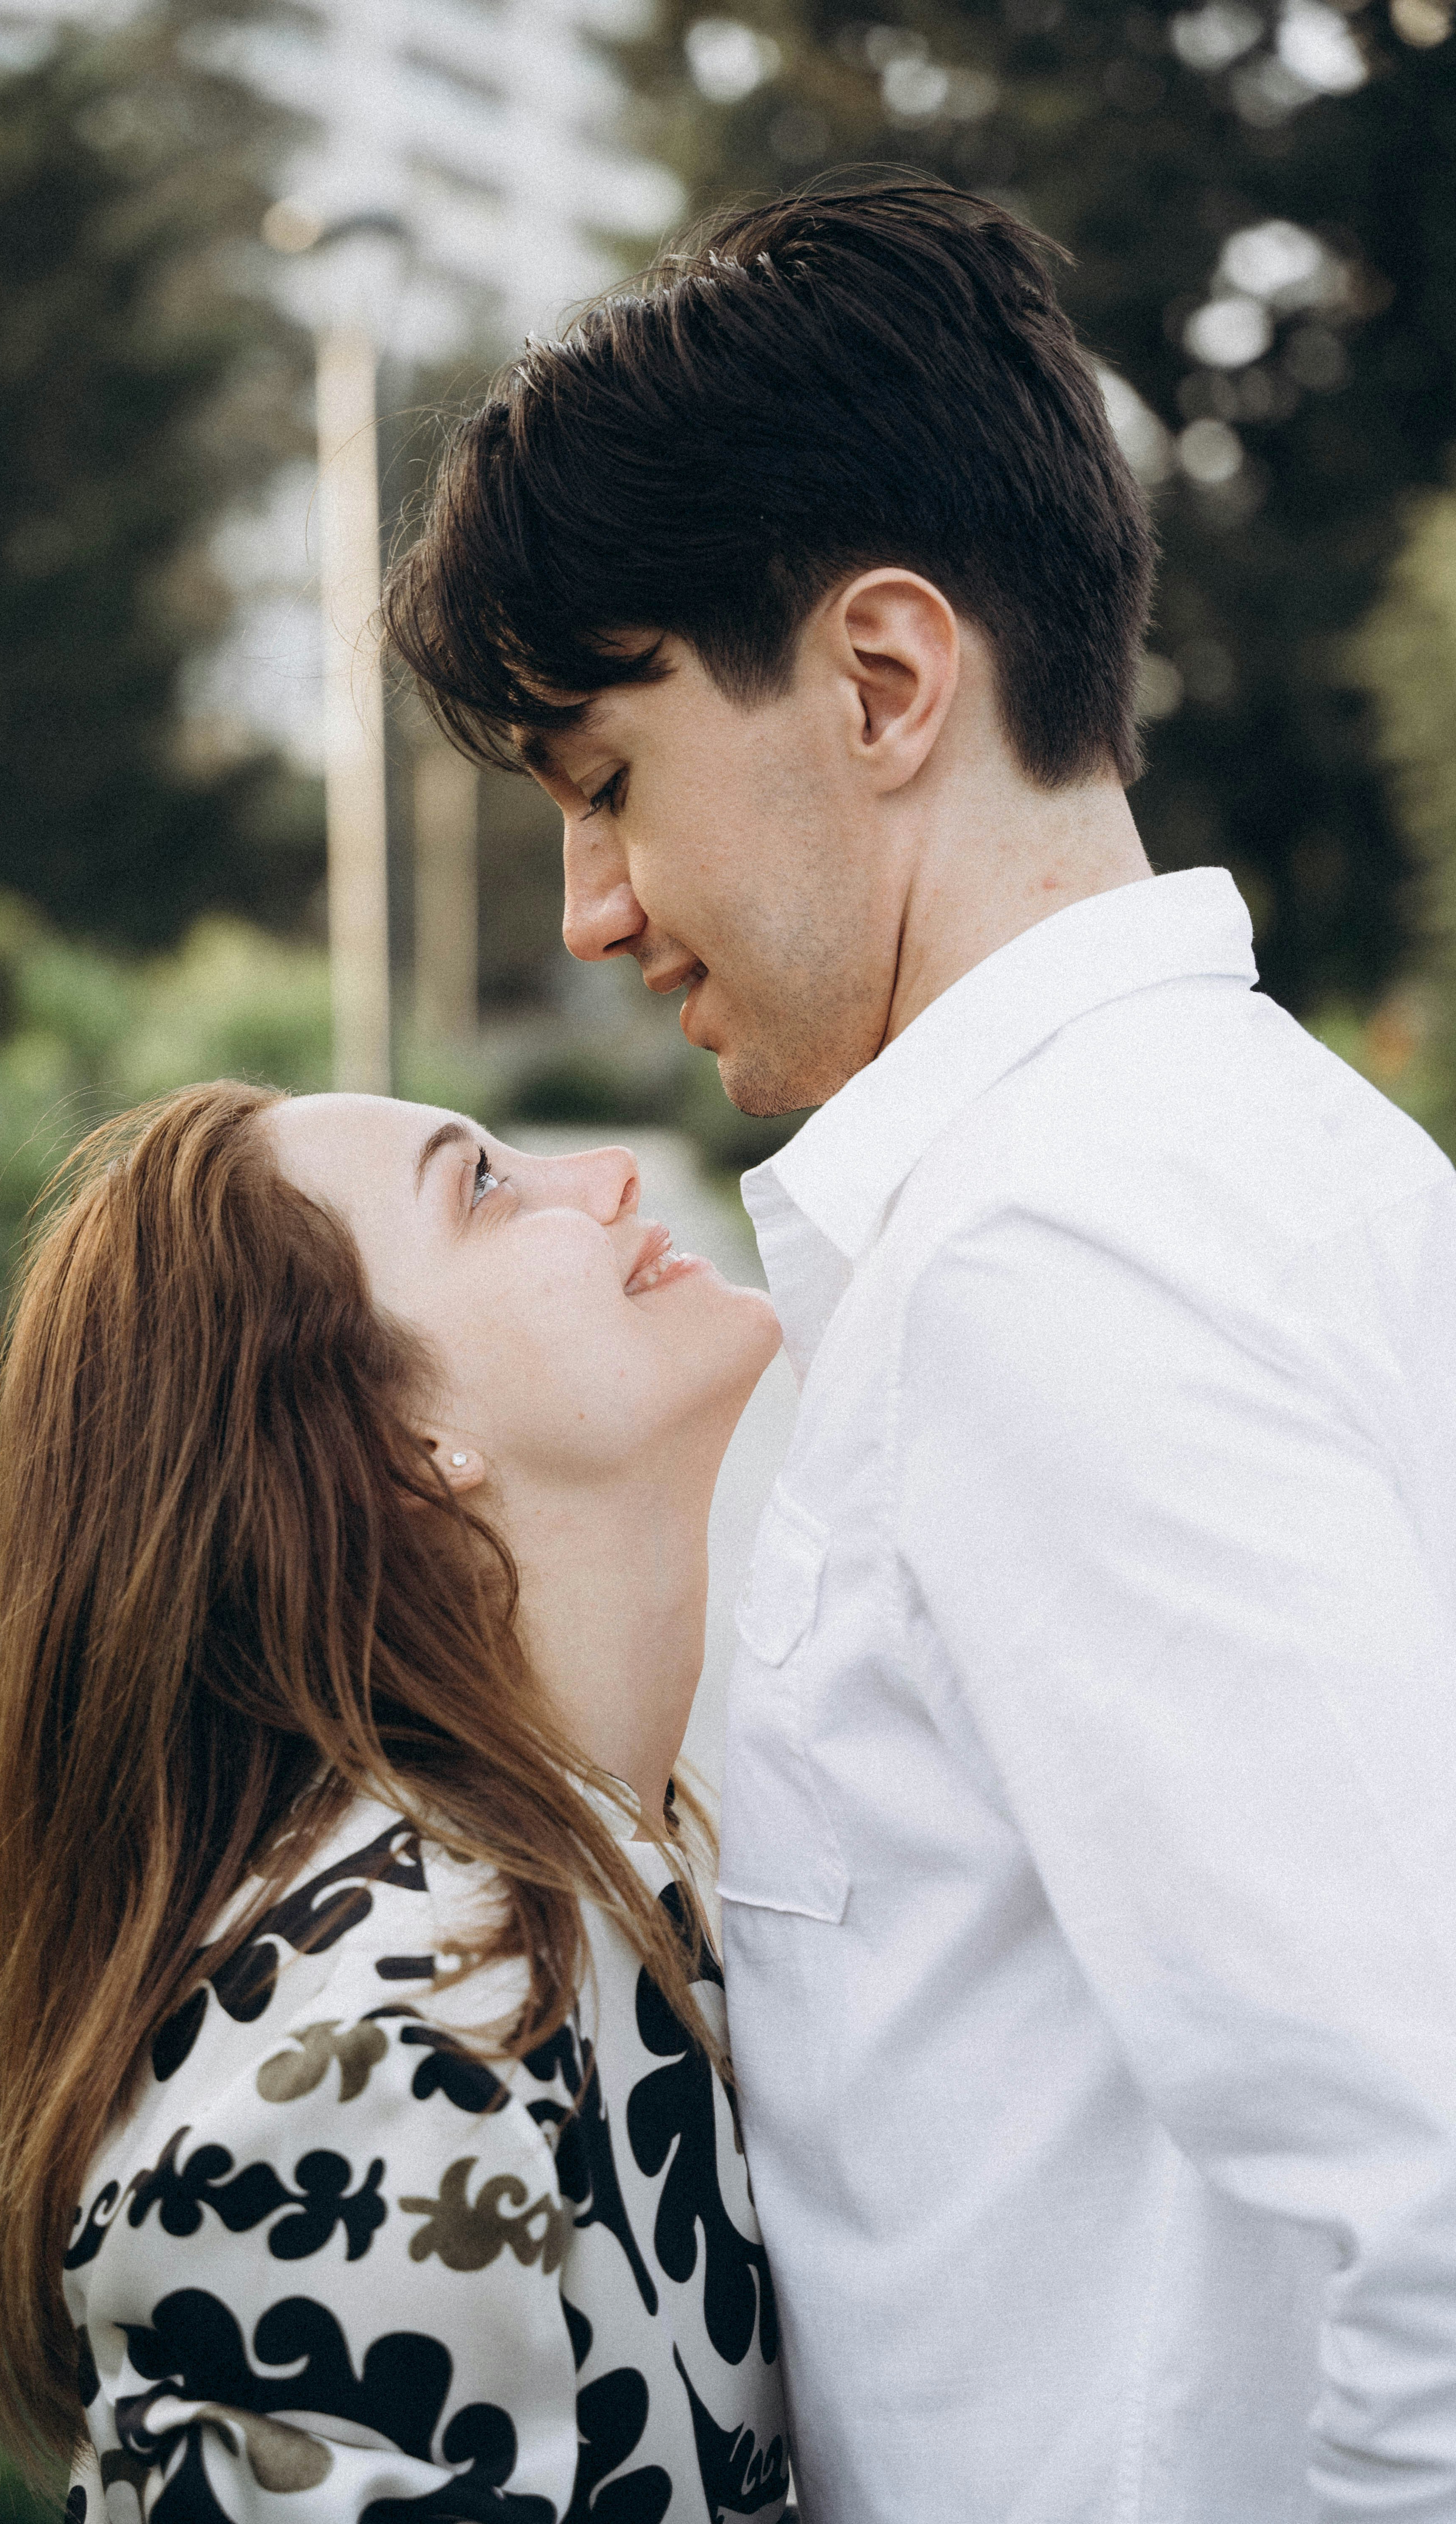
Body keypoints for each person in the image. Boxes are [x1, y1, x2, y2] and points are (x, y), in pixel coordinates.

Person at [383, 175, 1456, 2523]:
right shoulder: (1252, 1166)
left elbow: (1438, 2175)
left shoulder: (1055, 1261)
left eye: (607, 784)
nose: (588, 914)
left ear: (882, 680)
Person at [0, 1080, 790, 2522]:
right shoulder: (371, 2072)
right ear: (396, 1443)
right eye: (478, 1188)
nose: (603, 1173)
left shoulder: (612, 1873)